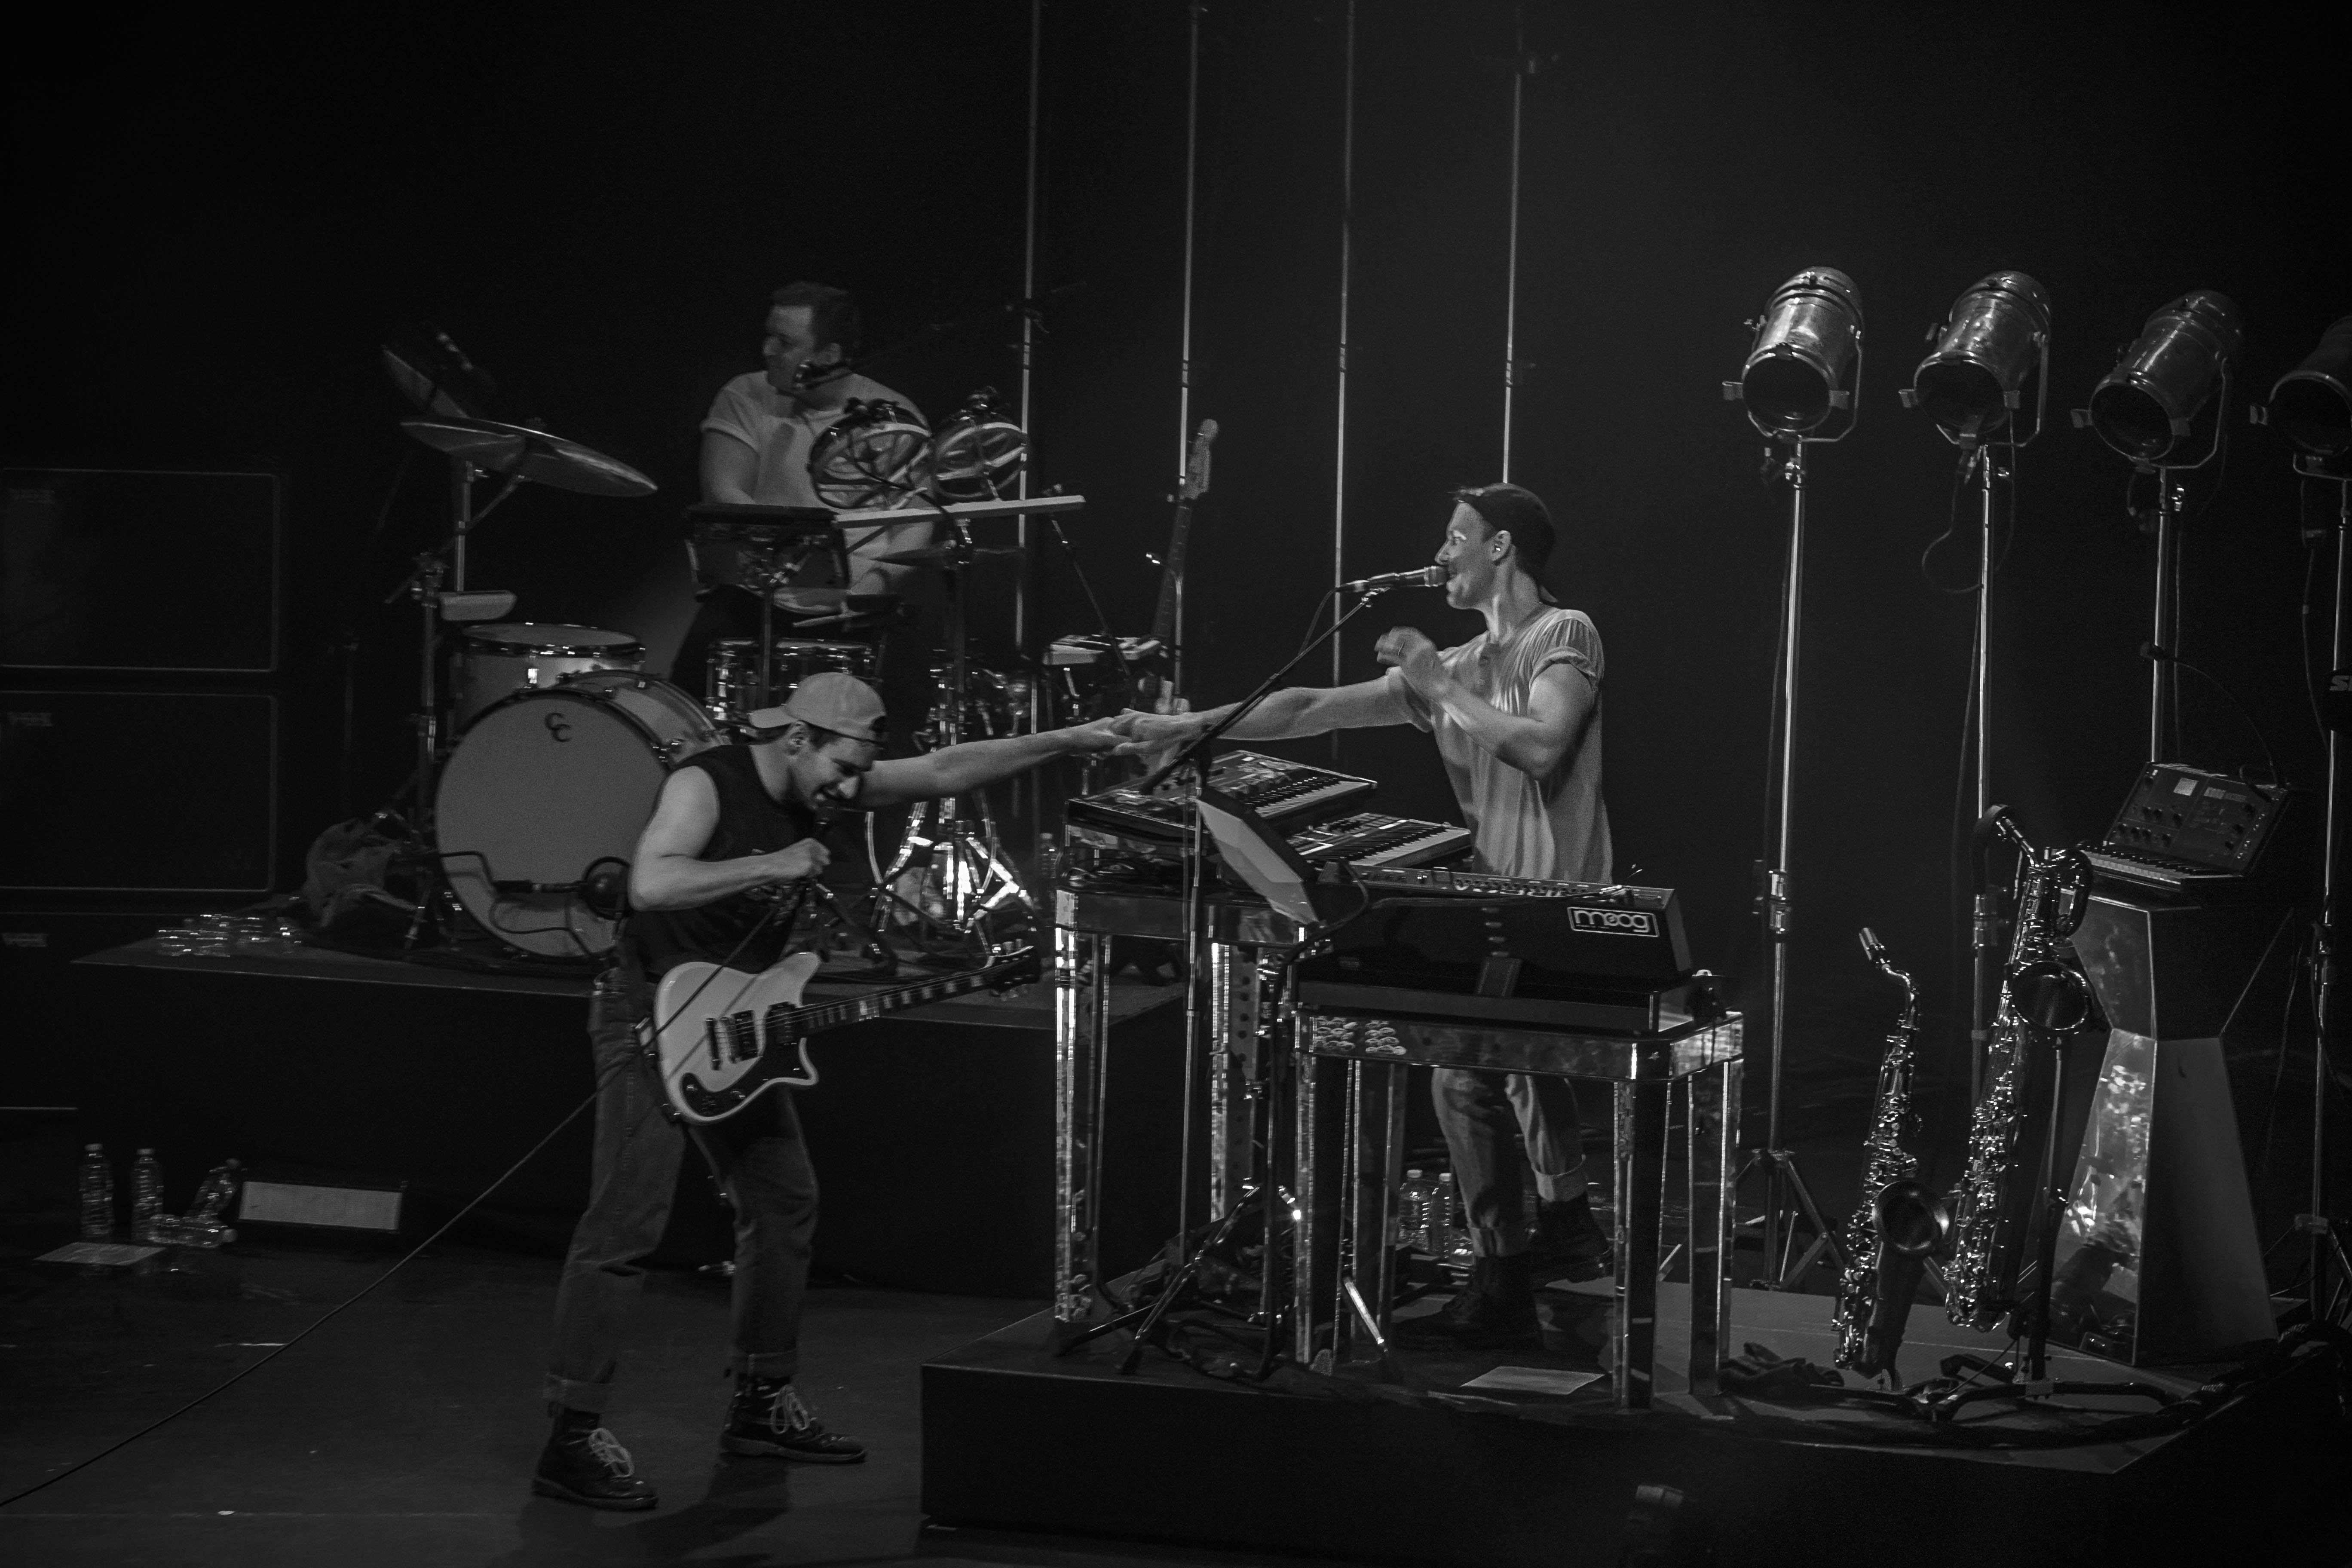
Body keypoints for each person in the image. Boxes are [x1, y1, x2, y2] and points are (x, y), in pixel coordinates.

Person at [536, 673, 1133, 1510]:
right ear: (797, 741)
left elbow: (943, 771)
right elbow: (651, 884)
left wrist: (1066, 741)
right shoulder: (707, 782)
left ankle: (760, 1400)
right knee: (625, 1221)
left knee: (783, 1202)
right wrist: (773, 862)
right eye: (844, 767)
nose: (852, 789)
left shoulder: (827, 780)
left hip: (735, 1021)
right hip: (649, 1016)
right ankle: (569, 1435)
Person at [1118, 483, 1613, 1350]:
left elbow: (1540, 745)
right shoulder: (1456, 666)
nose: (1441, 550)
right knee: (1486, 1055)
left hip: (1563, 906)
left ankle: (1509, 1266)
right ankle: (1560, 1226)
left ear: (1500, 547)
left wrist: (1436, 686)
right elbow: (1312, 706)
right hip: (1498, 903)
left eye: (1455, 535)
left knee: (1460, 1067)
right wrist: (1196, 727)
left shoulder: (1561, 635)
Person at [675, 280, 933, 712]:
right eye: (768, 335)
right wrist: (791, 552)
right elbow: (723, 491)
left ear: (829, 356)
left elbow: (918, 518)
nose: (768, 350)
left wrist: (869, 590)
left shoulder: (893, 416)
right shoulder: (745, 394)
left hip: (854, 606)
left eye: (786, 342)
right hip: (756, 595)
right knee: (684, 703)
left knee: (901, 710)